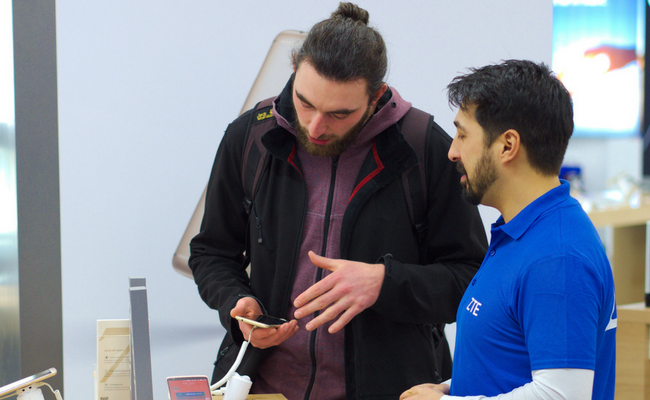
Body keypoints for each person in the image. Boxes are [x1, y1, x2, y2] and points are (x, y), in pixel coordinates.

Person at [189, 3, 487, 399]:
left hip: (394, 388)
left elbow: (470, 279)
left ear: (377, 95)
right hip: (263, 387)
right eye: (305, 102)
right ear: (294, 68)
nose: (315, 126)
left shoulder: (425, 148)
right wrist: (237, 302)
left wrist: (385, 282)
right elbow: (211, 252)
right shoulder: (250, 137)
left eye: (339, 114)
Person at [401, 59, 616, 400]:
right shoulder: (520, 234)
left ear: (507, 145)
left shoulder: (557, 256)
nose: (453, 152)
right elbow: (512, 367)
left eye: (462, 134)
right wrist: (449, 388)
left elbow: (562, 395)